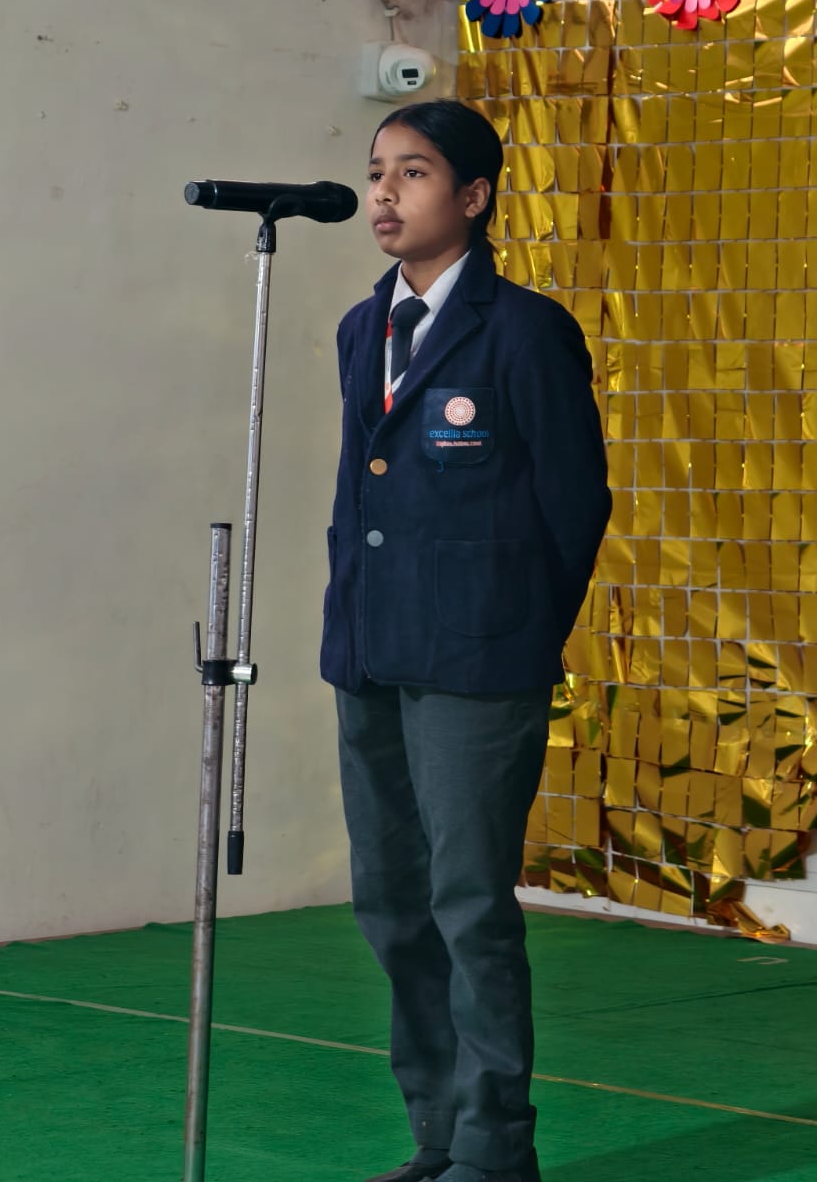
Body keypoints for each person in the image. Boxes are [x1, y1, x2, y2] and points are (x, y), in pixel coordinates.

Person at [321, 99, 611, 1182]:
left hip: (478, 666)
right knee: (392, 903)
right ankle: (436, 1135)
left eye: (414, 172)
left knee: (468, 906)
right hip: (371, 654)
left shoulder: (524, 330)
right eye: (377, 171)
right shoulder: (362, 329)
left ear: (475, 196)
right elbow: (363, 496)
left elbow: (574, 506)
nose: (384, 193)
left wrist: (514, 631)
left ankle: (493, 1152)